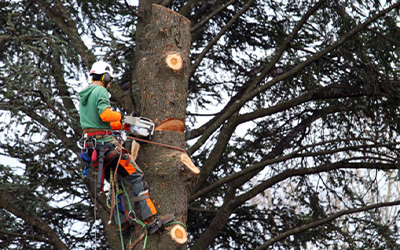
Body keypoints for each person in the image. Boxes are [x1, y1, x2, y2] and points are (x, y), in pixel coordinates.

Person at [78, 61, 173, 237]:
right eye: (109, 79)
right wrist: (121, 116)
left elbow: (100, 122)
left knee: (116, 184)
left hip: (94, 149)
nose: (110, 83)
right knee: (136, 177)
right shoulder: (100, 91)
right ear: (105, 76)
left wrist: (122, 125)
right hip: (107, 148)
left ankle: (122, 225)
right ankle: (151, 221)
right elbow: (105, 114)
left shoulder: (85, 95)